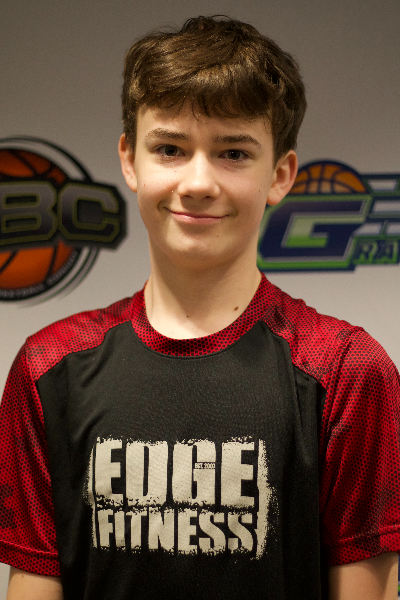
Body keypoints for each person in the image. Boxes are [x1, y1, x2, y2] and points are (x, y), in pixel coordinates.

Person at [1, 15, 400, 600]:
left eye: (233, 152)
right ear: (130, 160)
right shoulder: (49, 368)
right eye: (170, 148)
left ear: (281, 175)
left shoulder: (347, 370)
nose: (197, 182)